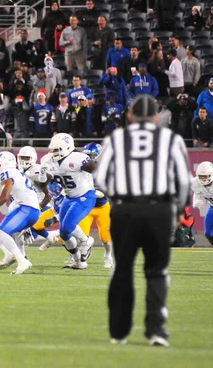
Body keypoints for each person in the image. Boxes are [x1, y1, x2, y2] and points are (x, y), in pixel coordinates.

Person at [95, 95, 191, 347]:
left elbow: (102, 178)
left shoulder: (116, 138)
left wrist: (119, 199)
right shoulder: (171, 139)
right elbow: (183, 180)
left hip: (125, 209)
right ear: (157, 118)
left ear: (130, 117)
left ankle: (119, 332)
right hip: (158, 209)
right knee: (157, 272)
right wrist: (179, 208)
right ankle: (156, 331)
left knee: (122, 270)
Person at [45, 133, 96, 269]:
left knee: (68, 226)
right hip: (68, 197)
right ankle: (79, 261)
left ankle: (86, 241)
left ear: (67, 147)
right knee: (63, 233)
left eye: (57, 150)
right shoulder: (49, 161)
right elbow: (45, 179)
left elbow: (95, 170)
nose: (53, 153)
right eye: (52, 150)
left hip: (84, 196)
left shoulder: (78, 158)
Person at [0, 151, 40, 275]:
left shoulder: (6, 172)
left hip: (26, 208)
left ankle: (22, 261)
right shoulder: (17, 172)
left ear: (3, 163)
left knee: (2, 232)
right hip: (31, 209)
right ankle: (9, 256)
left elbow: (4, 197)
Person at [192, 161, 213, 246]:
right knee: (208, 233)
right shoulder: (195, 182)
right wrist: (195, 203)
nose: (203, 179)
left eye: (205, 177)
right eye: (201, 177)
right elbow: (197, 193)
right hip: (212, 206)